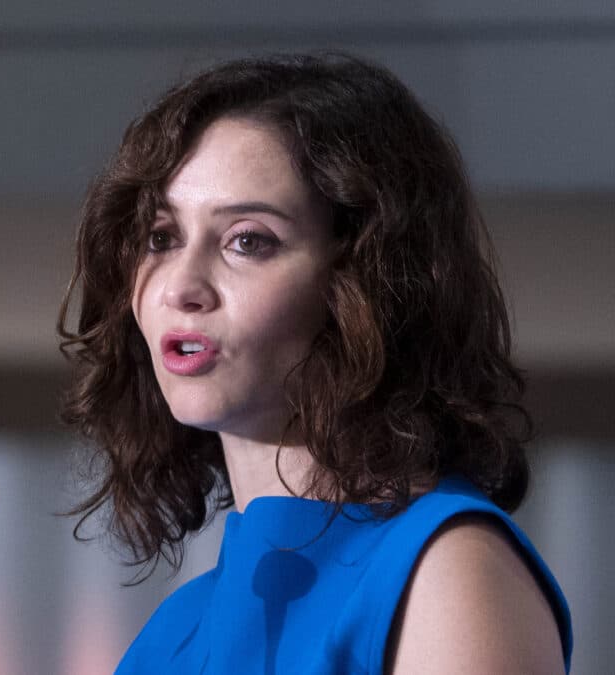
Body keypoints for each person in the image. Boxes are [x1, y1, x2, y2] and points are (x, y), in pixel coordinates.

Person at [56, 53, 572, 674]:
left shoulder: (446, 571)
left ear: (367, 282)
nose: (180, 286)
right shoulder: (177, 629)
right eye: (161, 237)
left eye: (248, 240)